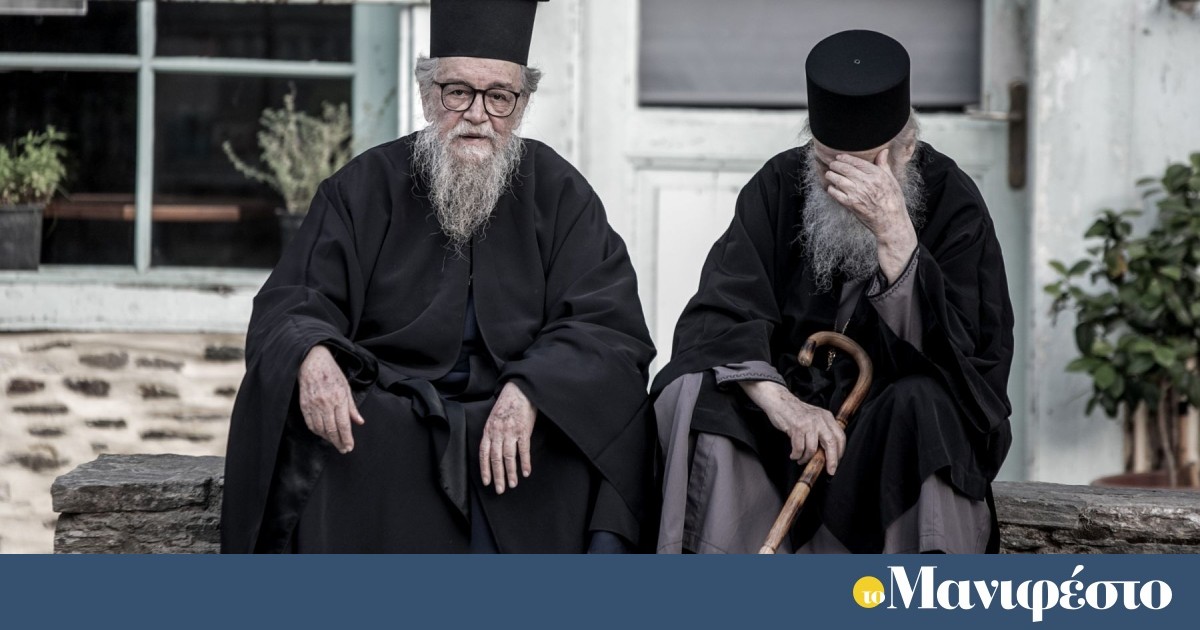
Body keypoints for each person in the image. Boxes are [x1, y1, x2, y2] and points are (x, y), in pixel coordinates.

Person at [221, 0, 656, 553]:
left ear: (520, 105)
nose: (478, 114)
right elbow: (294, 300)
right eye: (458, 92)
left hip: (525, 427)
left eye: (499, 96)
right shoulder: (363, 186)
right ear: (428, 95)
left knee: (610, 424)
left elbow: (607, 325)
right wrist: (311, 354)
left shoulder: (559, 191)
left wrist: (534, 388)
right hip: (391, 419)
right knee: (320, 420)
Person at [652, 30, 1013, 554]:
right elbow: (720, 312)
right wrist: (781, 402)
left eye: (864, 168)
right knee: (698, 391)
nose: (844, 187)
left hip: (887, 424)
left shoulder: (953, 200)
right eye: (827, 164)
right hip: (786, 422)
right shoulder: (781, 182)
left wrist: (896, 237)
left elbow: (971, 360)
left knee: (928, 407)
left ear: (907, 149)